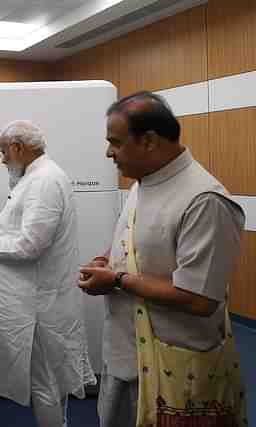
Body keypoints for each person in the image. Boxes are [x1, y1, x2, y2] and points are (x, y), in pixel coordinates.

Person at [79, 91, 246, 427]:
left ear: (149, 141)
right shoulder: (144, 183)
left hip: (173, 367)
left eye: (116, 141)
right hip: (125, 357)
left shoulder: (204, 201)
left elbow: (199, 299)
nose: (108, 152)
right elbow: (139, 245)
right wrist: (108, 262)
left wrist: (115, 280)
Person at [0, 120, 95, 427]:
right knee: (46, 380)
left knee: (46, 382)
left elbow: (31, 245)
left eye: (2, 152)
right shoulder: (35, 178)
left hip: (39, 302)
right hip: (37, 297)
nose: (1, 159)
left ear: (17, 147)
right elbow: (28, 231)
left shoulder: (43, 182)